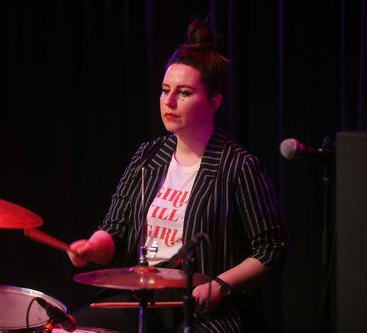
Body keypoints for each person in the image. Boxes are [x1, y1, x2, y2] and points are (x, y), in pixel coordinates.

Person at [67, 17, 288, 333]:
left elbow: (272, 250)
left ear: (214, 102)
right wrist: (91, 247)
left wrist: (221, 285)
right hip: (145, 296)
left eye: (183, 93)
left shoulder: (239, 166)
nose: (169, 102)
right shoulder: (147, 156)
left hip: (210, 309)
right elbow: (114, 231)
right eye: (165, 90)